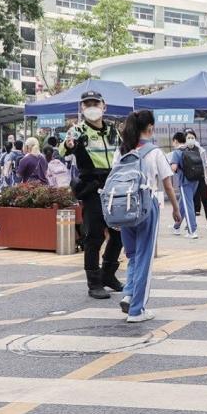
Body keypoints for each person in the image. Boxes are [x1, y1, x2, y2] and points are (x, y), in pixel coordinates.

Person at [115, 111, 181, 322]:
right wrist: (176, 209)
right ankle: (137, 310)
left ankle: (129, 293)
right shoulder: (155, 152)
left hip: (124, 206)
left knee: (133, 255)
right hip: (146, 205)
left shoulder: (122, 150)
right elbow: (168, 185)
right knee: (145, 258)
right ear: (150, 128)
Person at [61, 90, 125, 299]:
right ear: (81, 108)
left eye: (95, 103)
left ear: (104, 106)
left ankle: (108, 274)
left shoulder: (114, 131)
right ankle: (94, 282)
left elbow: (124, 153)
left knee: (118, 234)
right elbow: (64, 148)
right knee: (94, 236)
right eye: (87, 104)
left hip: (114, 187)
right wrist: (69, 144)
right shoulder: (78, 131)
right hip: (92, 187)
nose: (91, 107)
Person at [170, 131, 200, 239]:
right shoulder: (192, 149)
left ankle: (192, 230)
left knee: (188, 205)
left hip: (185, 181)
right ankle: (176, 226)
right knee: (183, 204)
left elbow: (173, 168)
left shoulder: (177, 152)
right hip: (195, 179)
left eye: (173, 142)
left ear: (176, 141)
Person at [184, 129, 207, 230]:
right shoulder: (183, 150)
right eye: (188, 138)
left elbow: (206, 165)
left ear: (195, 138)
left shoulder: (201, 150)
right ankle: (190, 221)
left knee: (205, 198)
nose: (190, 139)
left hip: (201, 177)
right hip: (189, 178)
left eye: (192, 137)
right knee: (191, 200)